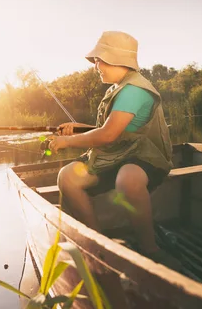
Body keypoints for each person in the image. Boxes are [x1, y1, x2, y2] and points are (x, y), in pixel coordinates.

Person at [47, 30, 181, 270]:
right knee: (67, 177)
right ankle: (100, 244)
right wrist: (76, 129)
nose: (96, 66)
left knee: (127, 179)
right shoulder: (118, 88)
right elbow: (110, 129)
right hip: (116, 156)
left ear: (119, 60)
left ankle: (150, 249)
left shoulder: (134, 90)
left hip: (145, 158)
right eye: (96, 60)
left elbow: (108, 134)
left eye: (100, 60)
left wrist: (66, 143)